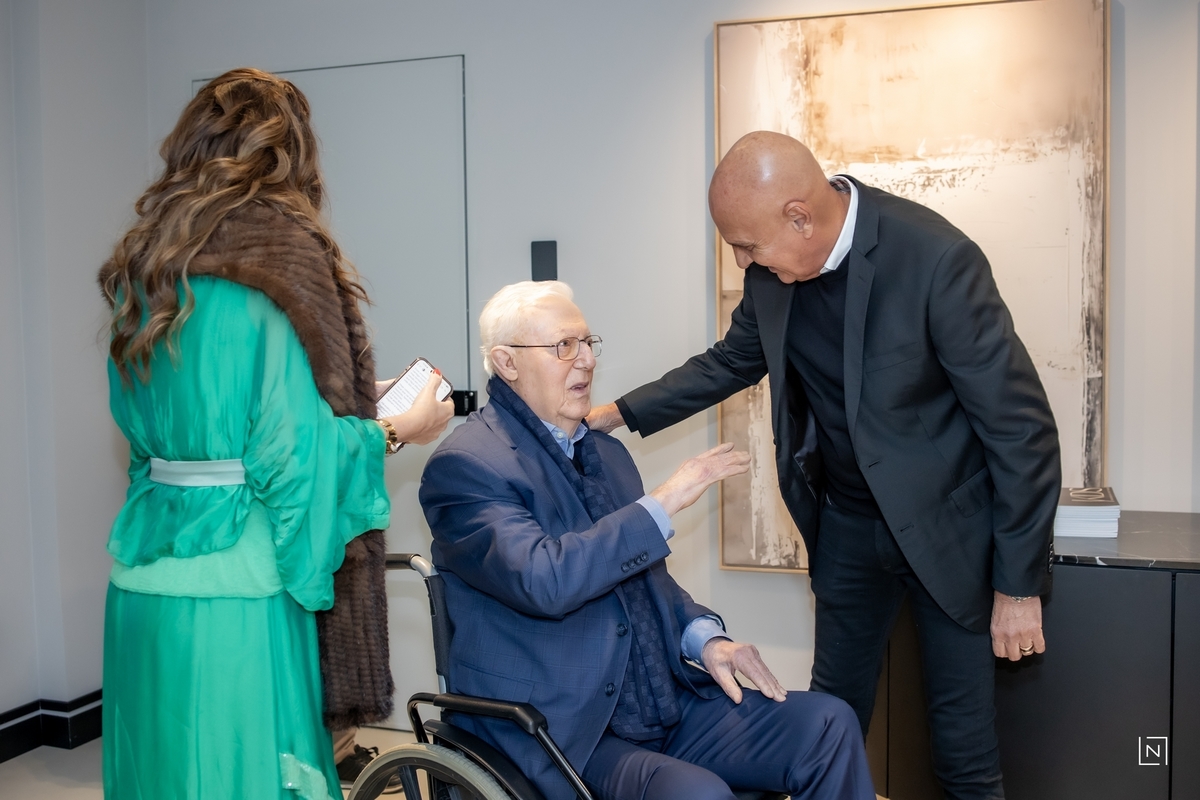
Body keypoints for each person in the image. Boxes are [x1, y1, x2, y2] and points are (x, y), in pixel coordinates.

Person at [586, 131, 1062, 799]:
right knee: (828, 719)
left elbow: (1021, 431)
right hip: (848, 529)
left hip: (946, 533)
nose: (741, 261)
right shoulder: (772, 276)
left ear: (800, 217)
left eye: (747, 246)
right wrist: (614, 413)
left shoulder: (934, 259)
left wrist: (1017, 588)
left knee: (963, 748)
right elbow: (729, 363)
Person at [98, 68, 454, 799]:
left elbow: (159, 441)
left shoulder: (147, 277)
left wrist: (346, 403)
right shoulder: (276, 265)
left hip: (141, 580)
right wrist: (395, 429)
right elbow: (295, 460)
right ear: (291, 156)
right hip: (238, 592)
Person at [419, 280, 876, 800]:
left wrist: (706, 640)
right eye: (563, 346)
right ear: (507, 362)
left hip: (657, 700)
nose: (586, 360)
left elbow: (646, 585)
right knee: (698, 794)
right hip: (558, 727)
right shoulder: (467, 465)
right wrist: (663, 502)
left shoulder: (606, 454)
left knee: (827, 724)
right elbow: (545, 580)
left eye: (587, 343)